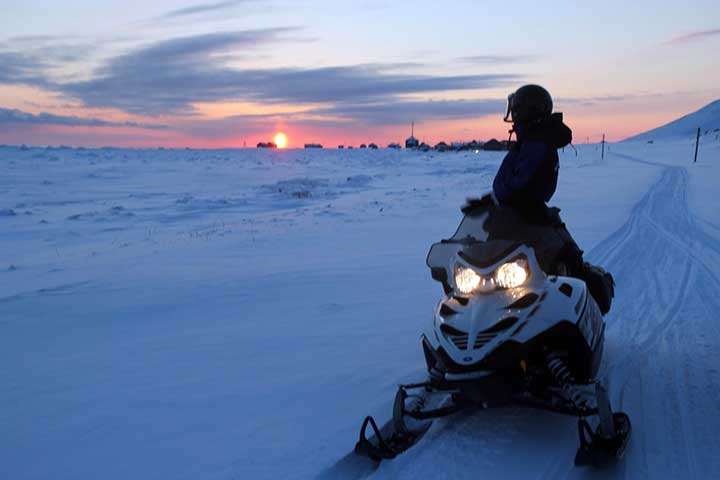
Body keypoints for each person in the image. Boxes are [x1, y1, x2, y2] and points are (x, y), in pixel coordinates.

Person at [483, 84, 615, 313]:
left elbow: (516, 186)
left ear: (527, 111)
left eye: (517, 109)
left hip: (524, 219)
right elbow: (509, 185)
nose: (513, 114)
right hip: (519, 217)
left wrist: (501, 198)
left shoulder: (536, 143)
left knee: (556, 266)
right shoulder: (531, 140)